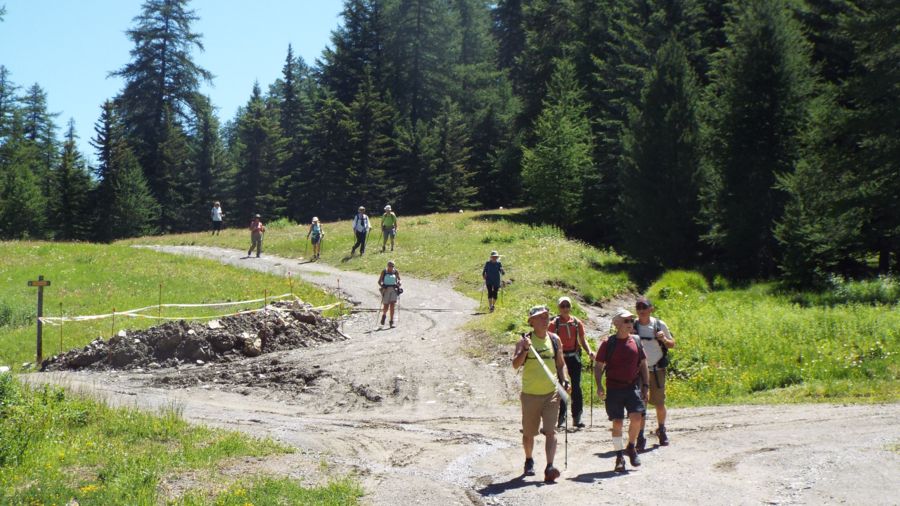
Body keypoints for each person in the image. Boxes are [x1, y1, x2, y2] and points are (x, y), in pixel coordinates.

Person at [512, 305, 570, 483]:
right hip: (530, 394)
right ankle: (529, 459)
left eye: (546, 317)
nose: (545, 320)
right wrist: (526, 350)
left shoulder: (554, 339)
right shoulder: (524, 342)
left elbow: (561, 364)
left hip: (551, 393)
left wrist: (565, 380)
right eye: (541, 318)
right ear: (531, 322)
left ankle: (549, 466)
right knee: (529, 433)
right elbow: (515, 364)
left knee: (551, 431)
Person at [594, 308, 649, 472]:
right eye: (626, 321)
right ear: (617, 324)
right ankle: (619, 456)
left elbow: (643, 364)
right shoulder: (607, 343)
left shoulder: (637, 341)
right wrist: (599, 385)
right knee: (617, 422)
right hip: (614, 388)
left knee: (637, 418)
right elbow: (598, 367)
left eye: (631, 320)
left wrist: (646, 386)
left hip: (632, 386)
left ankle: (631, 447)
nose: (630, 323)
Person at [633, 296, 675, 450]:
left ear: (651, 309)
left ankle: (662, 429)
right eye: (639, 307)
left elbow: (672, 344)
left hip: (657, 369)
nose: (641, 310)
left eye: (644, 307)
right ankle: (640, 436)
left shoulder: (659, 325)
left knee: (659, 403)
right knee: (640, 405)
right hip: (638, 372)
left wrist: (664, 339)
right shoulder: (633, 326)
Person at [551, 296, 594, 429]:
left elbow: (582, 339)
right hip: (560, 359)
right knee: (563, 387)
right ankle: (561, 419)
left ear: (570, 307)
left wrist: (590, 351)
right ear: (559, 308)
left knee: (576, 387)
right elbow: (549, 341)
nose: (565, 308)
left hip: (574, 357)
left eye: (567, 305)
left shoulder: (576, 322)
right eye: (562, 306)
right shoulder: (553, 324)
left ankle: (577, 418)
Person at [377, 260, 402, 327]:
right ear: (387, 266)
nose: (391, 267)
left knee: (392, 305)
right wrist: (383, 286)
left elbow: (399, 279)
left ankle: (391, 321)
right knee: (386, 306)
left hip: (394, 289)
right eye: (390, 266)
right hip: (386, 290)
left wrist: (399, 283)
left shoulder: (395, 271)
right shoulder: (384, 271)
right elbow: (379, 281)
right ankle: (384, 315)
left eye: (392, 266)